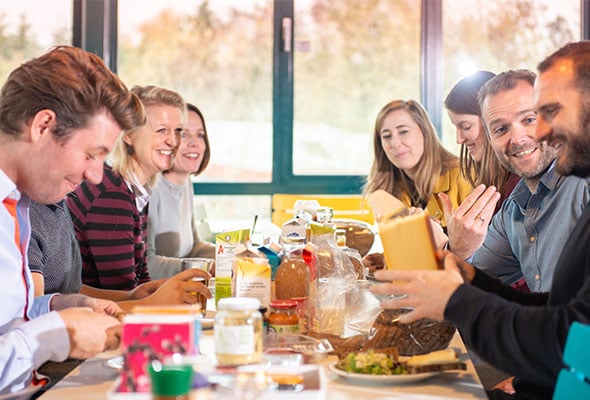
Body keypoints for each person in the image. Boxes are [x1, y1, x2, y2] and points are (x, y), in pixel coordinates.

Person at [371, 41, 590, 400]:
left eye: (539, 116)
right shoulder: (518, 202)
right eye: (500, 128)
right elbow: (558, 310)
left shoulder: (580, 189)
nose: (535, 133)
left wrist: (457, 296)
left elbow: (572, 341)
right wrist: (463, 272)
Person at [0, 45, 144, 394]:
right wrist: (54, 334)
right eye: (91, 155)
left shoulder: (17, 204)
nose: (96, 176)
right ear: (43, 125)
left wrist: (59, 306)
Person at [67, 85, 211, 295]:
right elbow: (123, 291)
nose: (173, 141)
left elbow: (140, 279)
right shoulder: (112, 194)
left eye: (177, 130)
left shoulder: (136, 191)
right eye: (162, 130)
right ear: (128, 135)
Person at [467, 69, 589, 291]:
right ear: (490, 139)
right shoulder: (513, 210)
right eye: (501, 129)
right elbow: (471, 282)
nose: (517, 138)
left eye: (530, 119)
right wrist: (459, 247)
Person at [28, 199, 211, 309]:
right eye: (89, 154)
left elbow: (68, 290)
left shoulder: (59, 199)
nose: (95, 176)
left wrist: (131, 297)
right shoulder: (27, 214)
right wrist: (147, 305)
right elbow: (36, 317)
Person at [362, 99, 472, 271]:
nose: (395, 143)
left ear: (425, 132)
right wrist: (386, 260)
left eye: (403, 131)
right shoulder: (388, 192)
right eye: (386, 136)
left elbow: (477, 255)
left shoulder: (463, 175)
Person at [442, 71, 521, 260]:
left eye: (465, 127)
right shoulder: (490, 180)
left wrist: (455, 248)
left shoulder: (520, 185)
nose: (459, 139)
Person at [147, 103, 215, 280]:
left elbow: (193, 247)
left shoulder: (185, 182)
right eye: (184, 134)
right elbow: (147, 265)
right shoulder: (149, 188)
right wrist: (208, 267)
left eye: (200, 135)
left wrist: (232, 256)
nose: (194, 143)